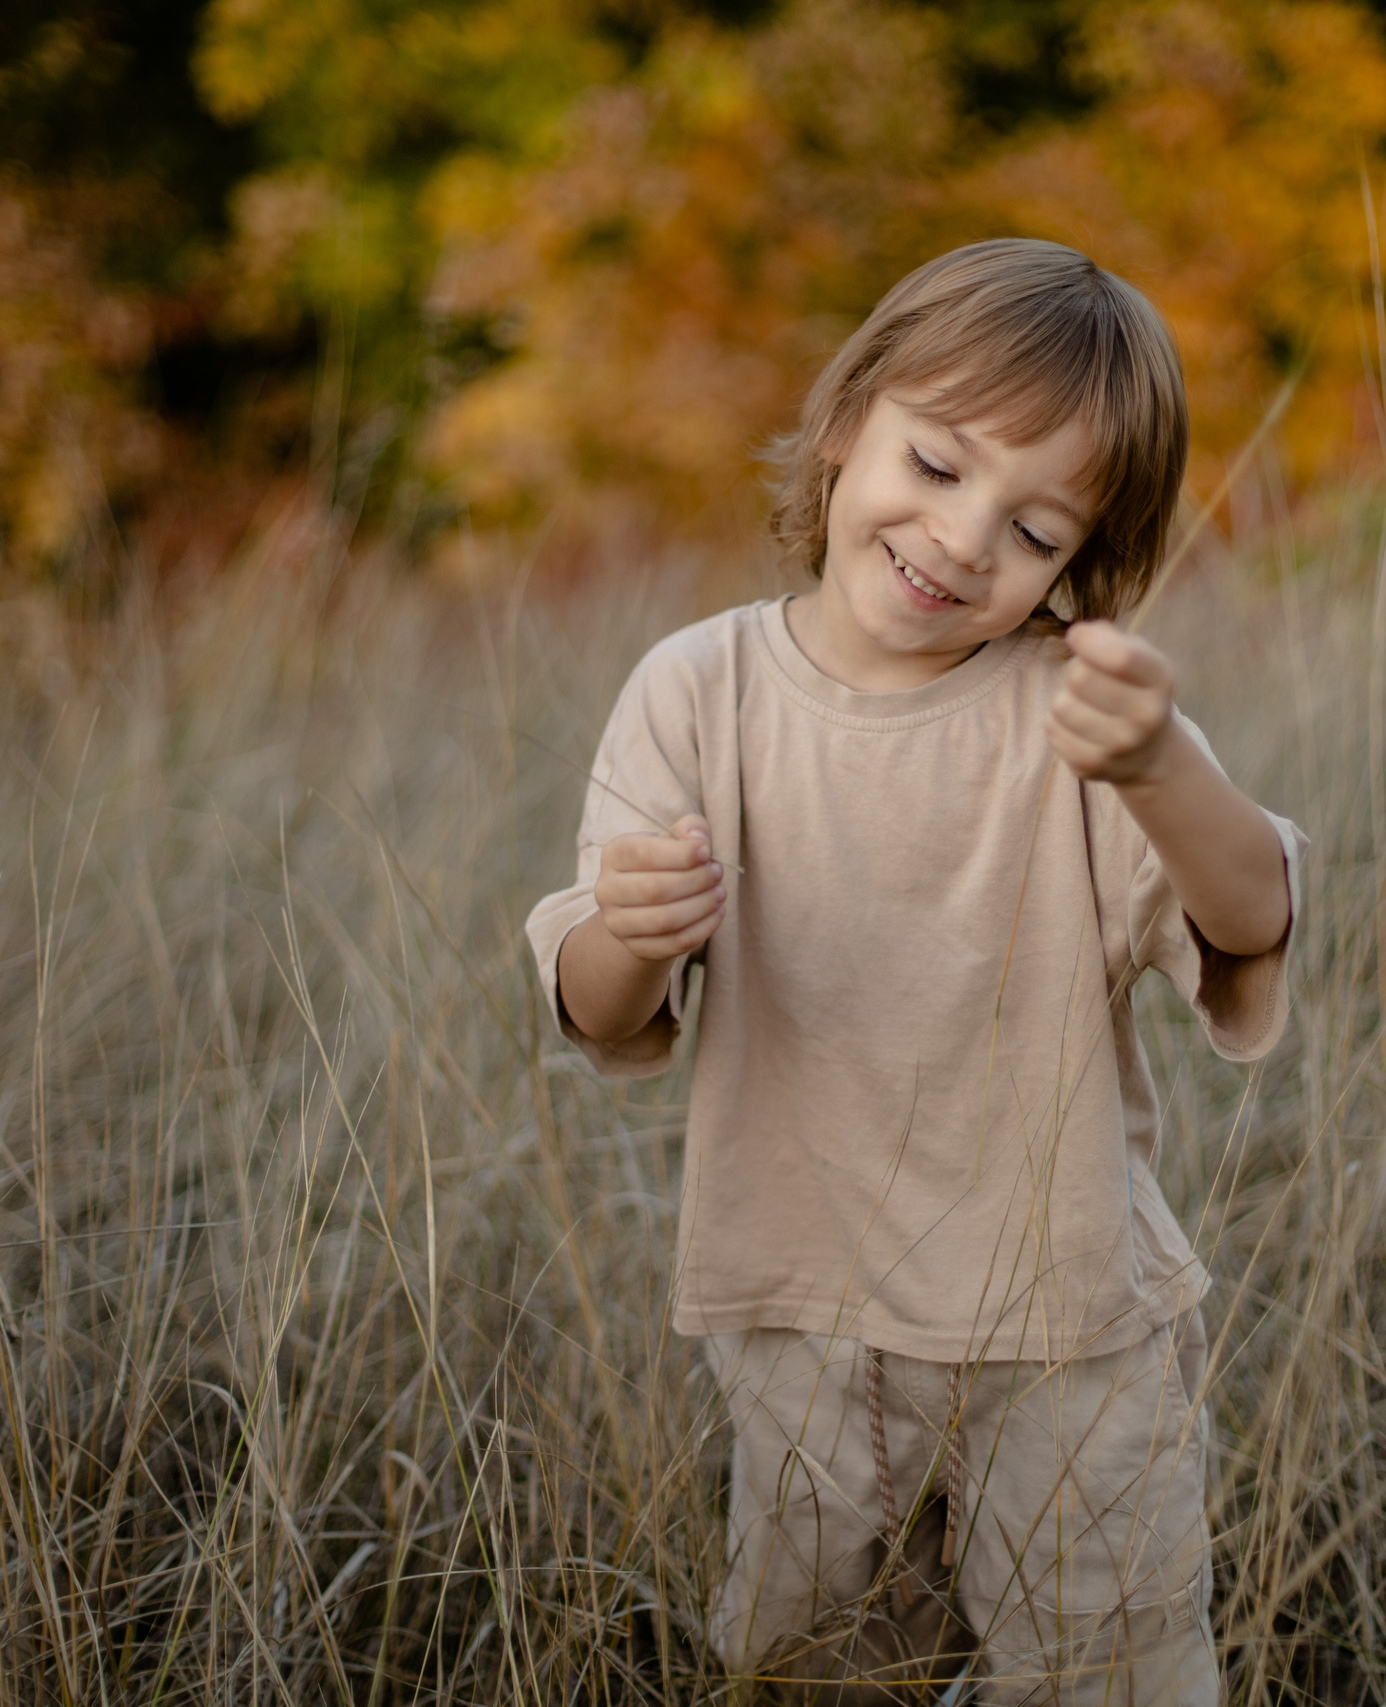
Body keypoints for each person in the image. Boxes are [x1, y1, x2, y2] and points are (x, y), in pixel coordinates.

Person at [524, 238, 1303, 1705]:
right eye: (938, 466)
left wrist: (1160, 766)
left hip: (1065, 1333)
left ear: (1079, 572)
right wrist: (632, 927)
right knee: (815, 1670)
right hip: (800, 1318)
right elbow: (592, 1004)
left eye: (1035, 531)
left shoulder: (1076, 725)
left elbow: (1250, 914)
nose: (961, 540)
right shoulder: (698, 691)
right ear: (845, 423)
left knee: (1110, 1672)